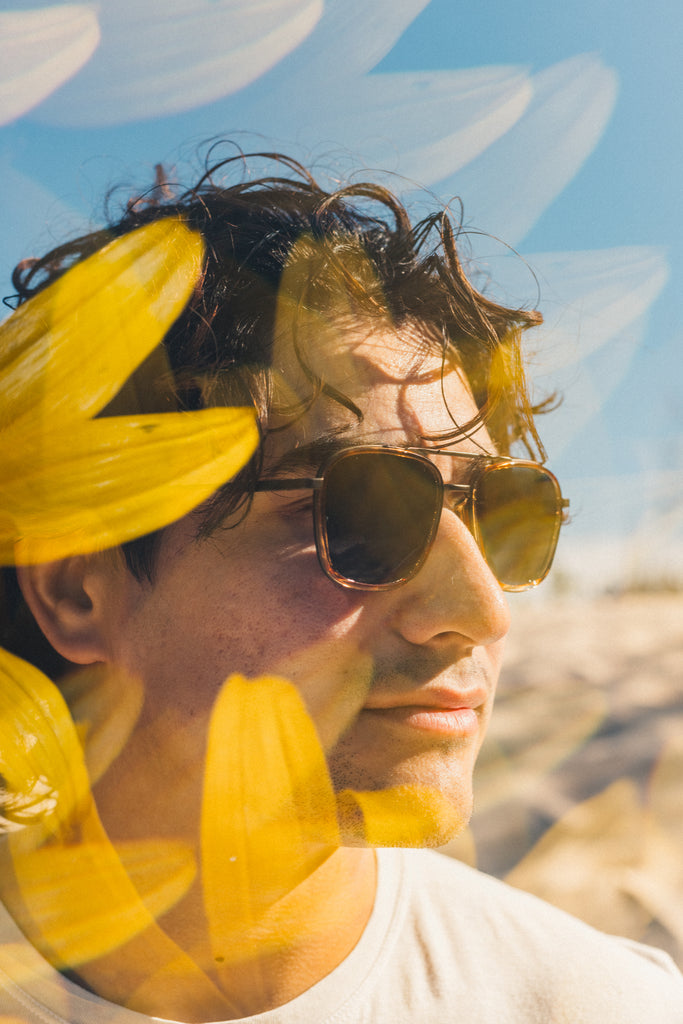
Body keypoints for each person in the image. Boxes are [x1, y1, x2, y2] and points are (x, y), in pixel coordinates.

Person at [0, 149, 681, 1023]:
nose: (482, 613)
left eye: (499, 509)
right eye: (358, 513)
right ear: (74, 591)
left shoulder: (596, 1006)